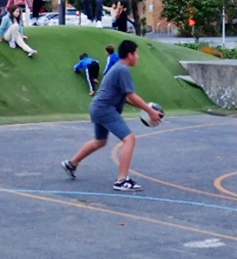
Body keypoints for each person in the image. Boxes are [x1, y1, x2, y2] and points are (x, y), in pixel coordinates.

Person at [61, 40, 162, 191]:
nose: (138, 57)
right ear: (130, 55)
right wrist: (151, 111)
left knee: (100, 141)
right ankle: (122, 181)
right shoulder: (123, 69)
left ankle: (71, 163)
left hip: (97, 107)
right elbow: (131, 95)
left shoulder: (119, 68)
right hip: (104, 109)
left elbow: (126, 98)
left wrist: (147, 108)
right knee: (129, 139)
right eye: (137, 54)